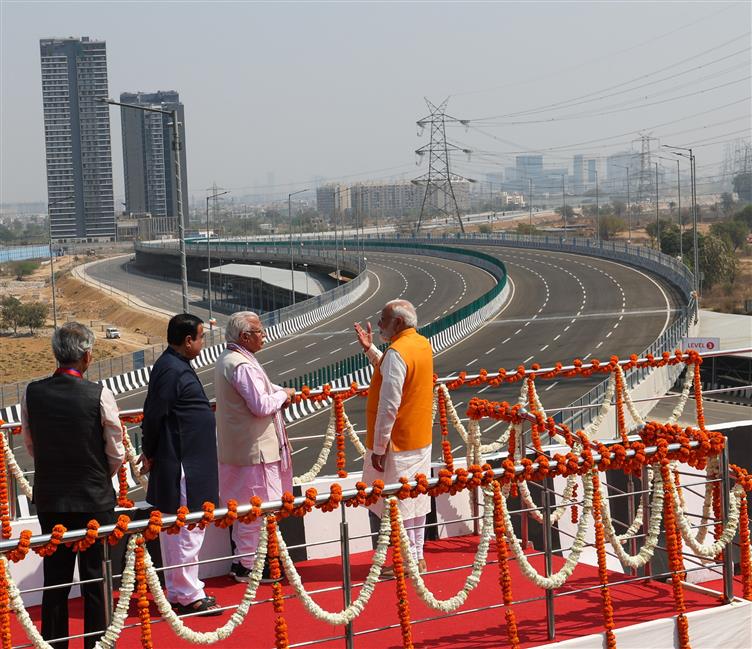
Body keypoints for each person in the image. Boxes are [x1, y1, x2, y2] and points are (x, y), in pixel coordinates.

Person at [21, 322, 125, 648]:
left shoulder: (32, 392)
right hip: (95, 498)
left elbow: (30, 444)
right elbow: (116, 450)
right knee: (97, 579)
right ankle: (97, 644)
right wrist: (97, 475)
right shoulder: (100, 394)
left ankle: (54, 645)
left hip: (52, 498)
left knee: (56, 580)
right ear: (87, 356)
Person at [140, 313, 221, 616]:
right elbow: (154, 415)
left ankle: (180, 590)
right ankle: (187, 595)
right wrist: (149, 452)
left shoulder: (175, 365)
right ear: (188, 341)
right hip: (183, 464)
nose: (202, 343)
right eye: (201, 337)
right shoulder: (172, 370)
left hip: (187, 461)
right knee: (186, 531)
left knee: (181, 532)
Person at [214, 311, 296, 583]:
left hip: (242, 449)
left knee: (246, 511)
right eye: (259, 332)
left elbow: (262, 388)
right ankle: (250, 565)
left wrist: (279, 391)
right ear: (244, 336)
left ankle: (244, 561)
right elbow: (260, 405)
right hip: (255, 452)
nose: (264, 336)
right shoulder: (242, 365)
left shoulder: (231, 359)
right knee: (255, 510)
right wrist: (284, 395)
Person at [354, 299, 434, 575]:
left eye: (383, 319)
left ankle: (404, 562)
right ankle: (416, 558)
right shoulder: (421, 345)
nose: (378, 325)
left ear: (397, 323)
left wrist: (379, 448)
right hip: (420, 439)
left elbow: (389, 406)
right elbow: (394, 371)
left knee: (395, 504)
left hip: (397, 445)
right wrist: (371, 351)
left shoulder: (398, 352)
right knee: (415, 502)